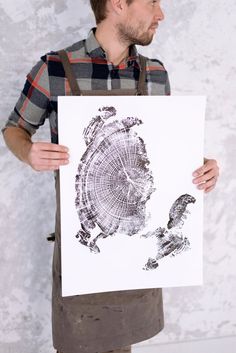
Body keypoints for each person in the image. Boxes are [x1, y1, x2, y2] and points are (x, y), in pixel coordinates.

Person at [2, 1, 219, 353]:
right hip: (85, 251)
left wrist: (202, 165)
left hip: (135, 252)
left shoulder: (156, 74)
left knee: (123, 344)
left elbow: (162, 150)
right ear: (118, 4)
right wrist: (28, 152)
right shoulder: (55, 68)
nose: (160, 14)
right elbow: (15, 129)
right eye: (151, 3)